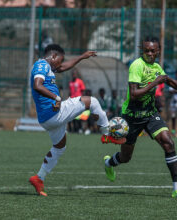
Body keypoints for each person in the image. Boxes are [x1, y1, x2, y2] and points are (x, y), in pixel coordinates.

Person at [103, 36, 177, 199]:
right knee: (126, 157)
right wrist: (155, 82)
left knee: (168, 143)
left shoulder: (157, 67)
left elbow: (169, 81)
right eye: (146, 51)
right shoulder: (137, 65)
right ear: (142, 50)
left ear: (158, 51)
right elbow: (135, 94)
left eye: (153, 51)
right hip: (131, 117)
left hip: (150, 113)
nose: (149, 54)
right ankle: (109, 163)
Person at [28, 44, 125, 196]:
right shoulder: (41, 65)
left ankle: (39, 178)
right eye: (60, 60)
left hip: (47, 119)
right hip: (55, 113)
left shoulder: (49, 66)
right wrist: (56, 97)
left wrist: (81, 57)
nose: (61, 64)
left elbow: (62, 67)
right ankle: (107, 133)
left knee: (59, 147)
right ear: (53, 56)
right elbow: (37, 85)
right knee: (92, 101)